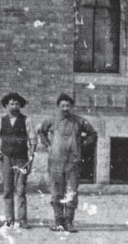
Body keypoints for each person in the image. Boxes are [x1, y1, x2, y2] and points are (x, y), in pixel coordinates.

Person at [38, 93, 98, 233]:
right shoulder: (51, 120)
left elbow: (93, 134)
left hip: (73, 163)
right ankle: (58, 221)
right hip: (55, 163)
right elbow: (41, 132)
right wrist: (48, 145)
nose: (65, 108)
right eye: (63, 106)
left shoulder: (79, 121)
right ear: (58, 106)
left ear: (72, 107)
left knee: (71, 192)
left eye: (68, 106)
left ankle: (69, 222)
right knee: (56, 193)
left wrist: (82, 144)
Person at [0, 92, 37, 229]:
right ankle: (9, 219)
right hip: (6, 158)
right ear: (6, 105)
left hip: (22, 158)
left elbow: (33, 141)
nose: (14, 106)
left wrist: (30, 159)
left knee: (21, 190)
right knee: (7, 189)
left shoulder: (27, 120)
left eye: (17, 104)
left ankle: (23, 220)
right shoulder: (1, 120)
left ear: (20, 105)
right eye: (11, 103)